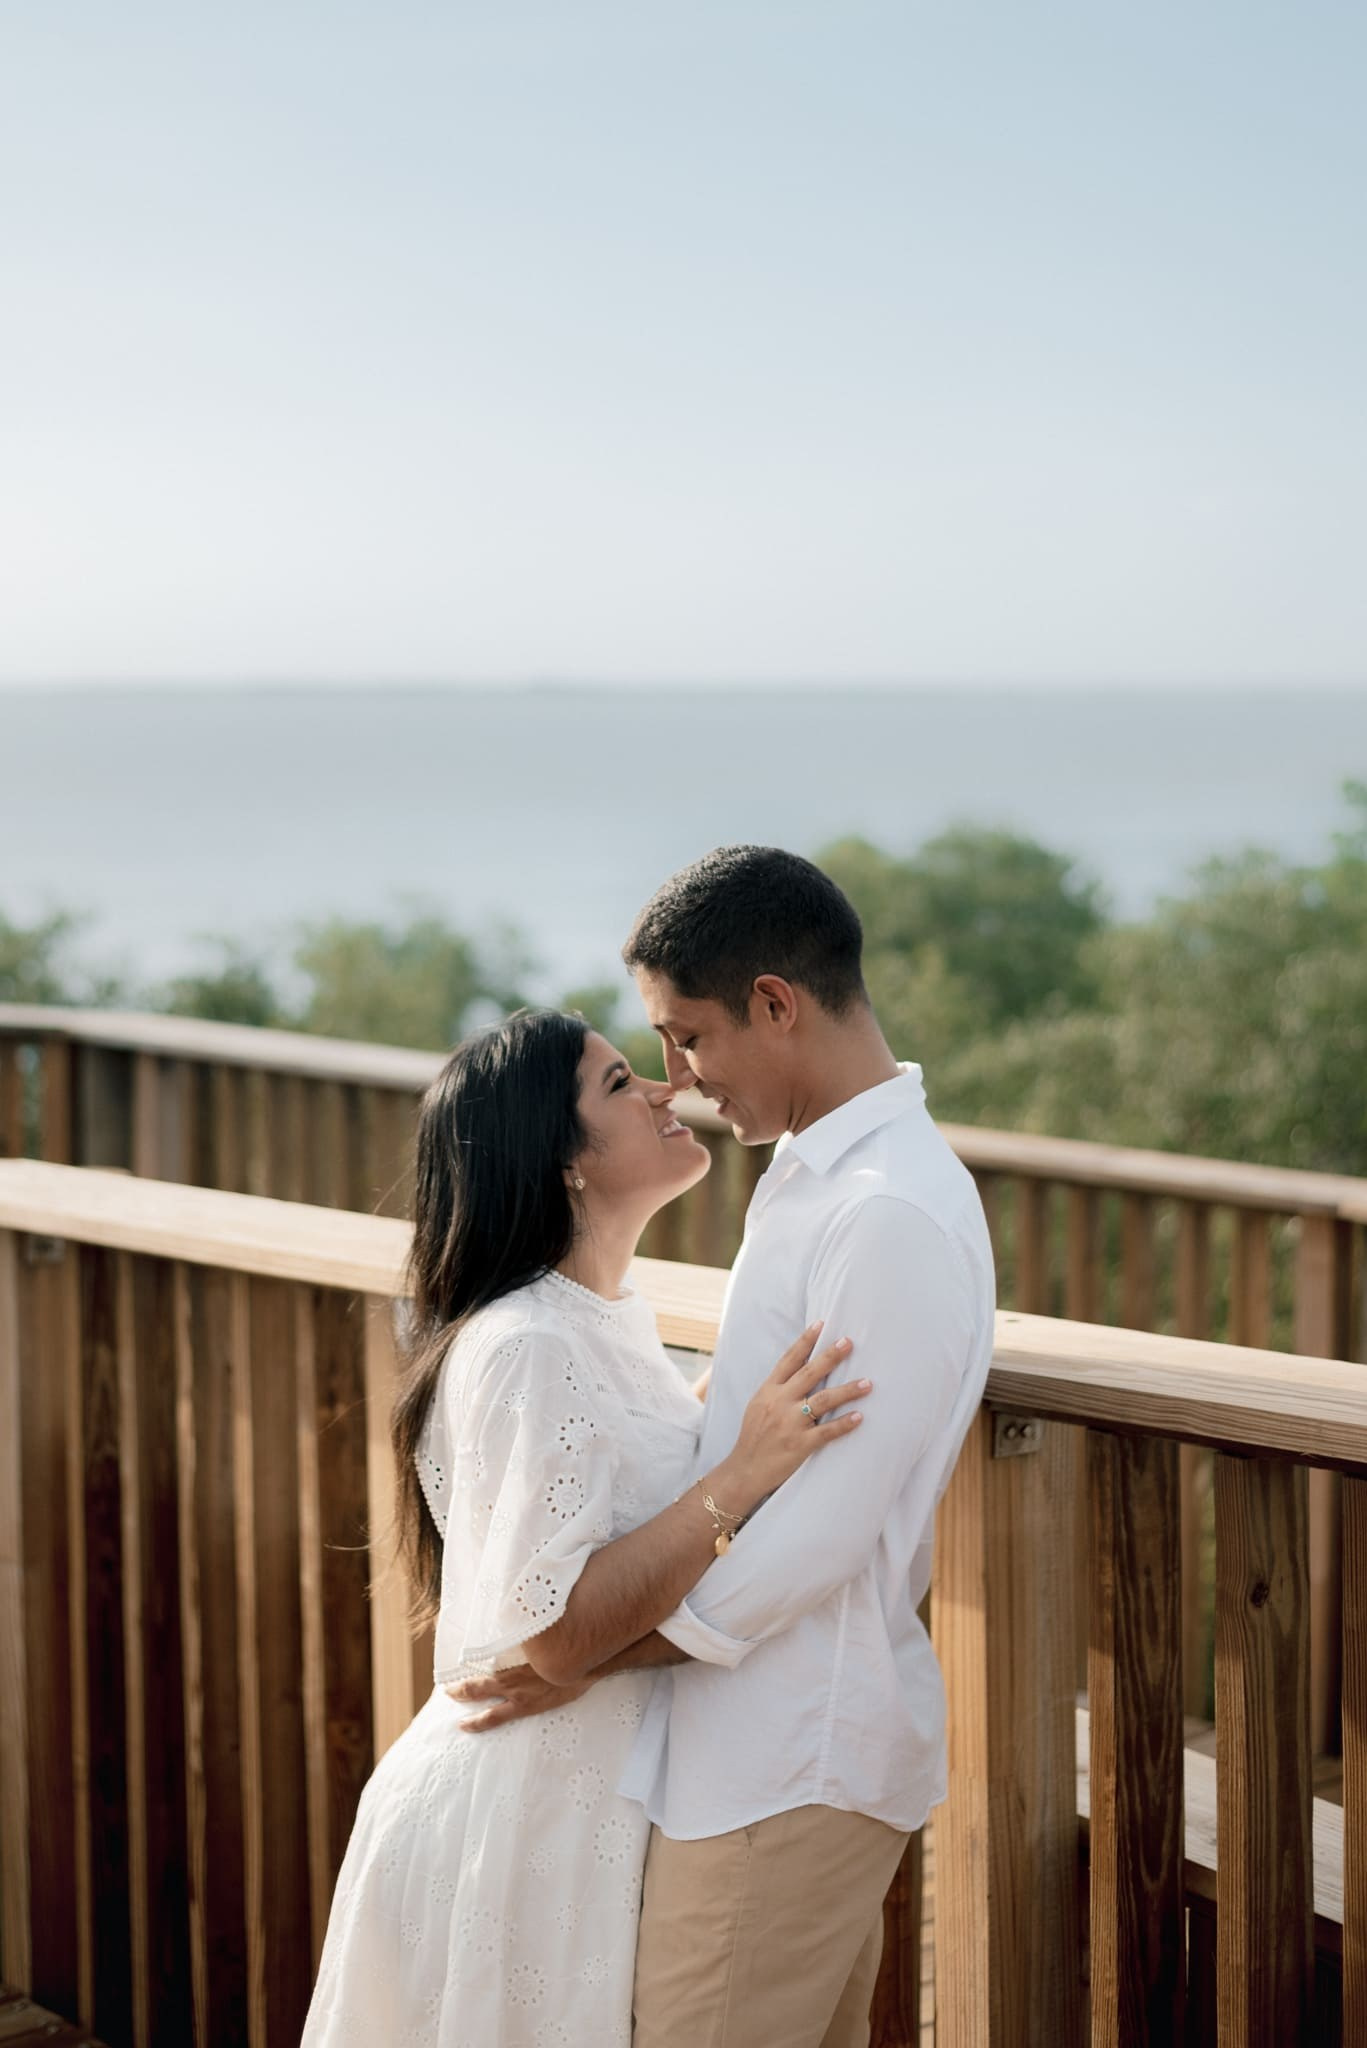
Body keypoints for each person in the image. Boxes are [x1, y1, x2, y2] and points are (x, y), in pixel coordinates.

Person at [452, 846, 996, 2048]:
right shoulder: (811, 1181)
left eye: (687, 1036)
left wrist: (580, 1655)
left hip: (789, 1749)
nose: (678, 1078)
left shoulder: (883, 1213)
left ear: (773, 1003)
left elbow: (821, 1535)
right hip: (742, 1745)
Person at [300, 1006, 869, 2048]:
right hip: (511, 1826)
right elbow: (553, 1637)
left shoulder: (608, 1319)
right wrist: (740, 1471)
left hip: (572, 1814)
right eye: (618, 1084)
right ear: (560, 1160)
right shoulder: (525, 1343)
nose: (665, 1087)